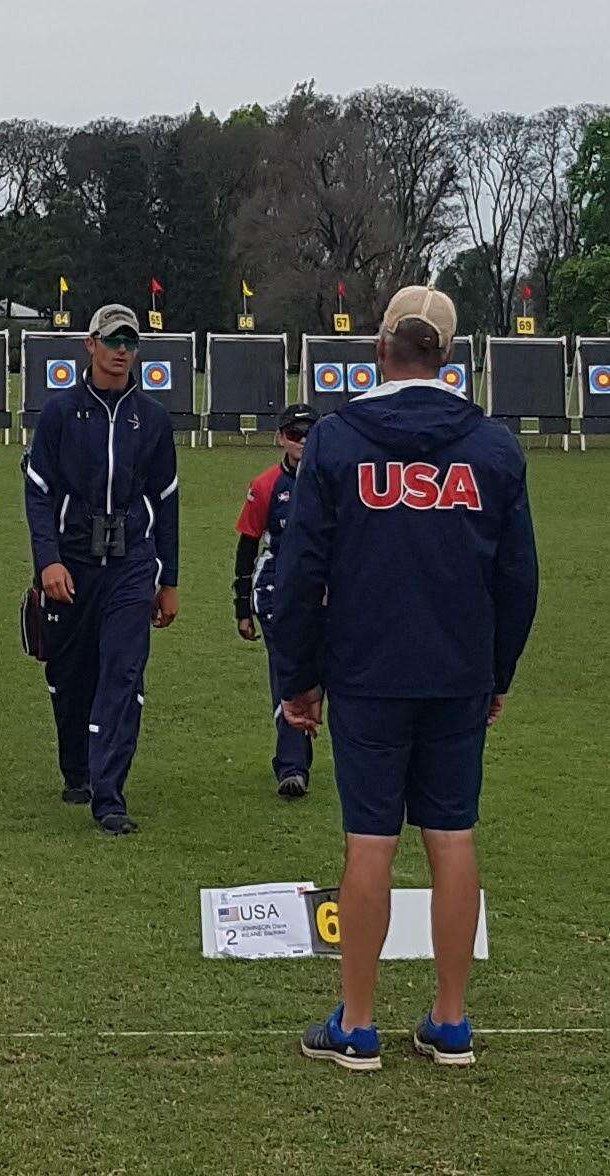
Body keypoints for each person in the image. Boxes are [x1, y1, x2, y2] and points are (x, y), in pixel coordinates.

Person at [272, 287, 539, 1071]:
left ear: (380, 348)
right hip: (456, 671)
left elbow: (298, 574)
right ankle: (448, 1020)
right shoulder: (492, 448)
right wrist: (499, 673)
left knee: (369, 841)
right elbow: (518, 579)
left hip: (365, 670)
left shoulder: (334, 442)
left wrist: (297, 679)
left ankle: (356, 1024)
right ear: (447, 356)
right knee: (452, 835)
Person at [23, 303, 180, 836]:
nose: (121, 351)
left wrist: (170, 580)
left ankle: (110, 795)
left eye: (130, 342)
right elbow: (39, 492)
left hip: (132, 565)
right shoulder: (61, 413)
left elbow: (167, 500)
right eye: (112, 340)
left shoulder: (153, 418)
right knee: (71, 676)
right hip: (72, 562)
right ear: (89, 344)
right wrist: (48, 562)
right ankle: (78, 769)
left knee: (123, 673)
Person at [233, 403, 319, 799]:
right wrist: (242, 608)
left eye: (309, 433)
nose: (302, 440)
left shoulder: (336, 480)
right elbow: (247, 547)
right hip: (278, 592)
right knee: (289, 675)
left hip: (331, 593)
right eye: (294, 433)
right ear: (281, 437)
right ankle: (292, 765)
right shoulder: (266, 485)